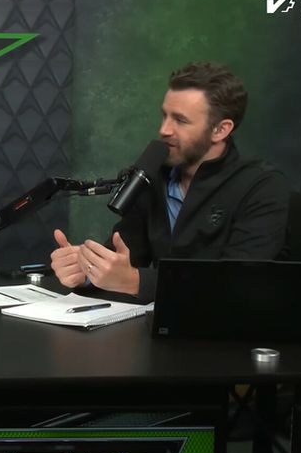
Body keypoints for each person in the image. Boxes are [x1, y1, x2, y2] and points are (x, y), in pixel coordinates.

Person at [51, 61, 288, 302]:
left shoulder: (260, 186)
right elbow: (125, 253)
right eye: (164, 116)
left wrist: (136, 282)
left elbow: (237, 283)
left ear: (220, 130)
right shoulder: (153, 175)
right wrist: (87, 270)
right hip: (156, 321)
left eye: (180, 120)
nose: (164, 129)